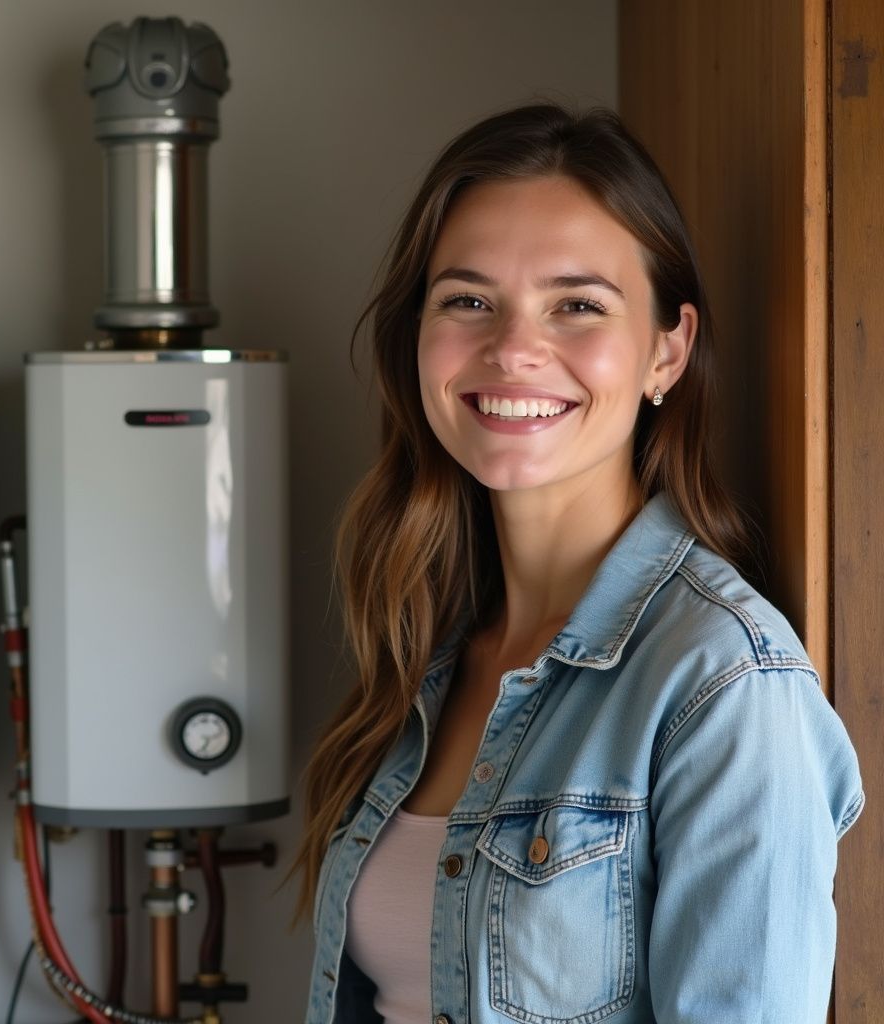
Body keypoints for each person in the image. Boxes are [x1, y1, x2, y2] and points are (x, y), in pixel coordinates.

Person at [295, 104, 863, 1024]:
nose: (514, 349)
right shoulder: (427, 644)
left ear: (666, 351)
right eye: (468, 300)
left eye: (578, 305)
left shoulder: (726, 685)